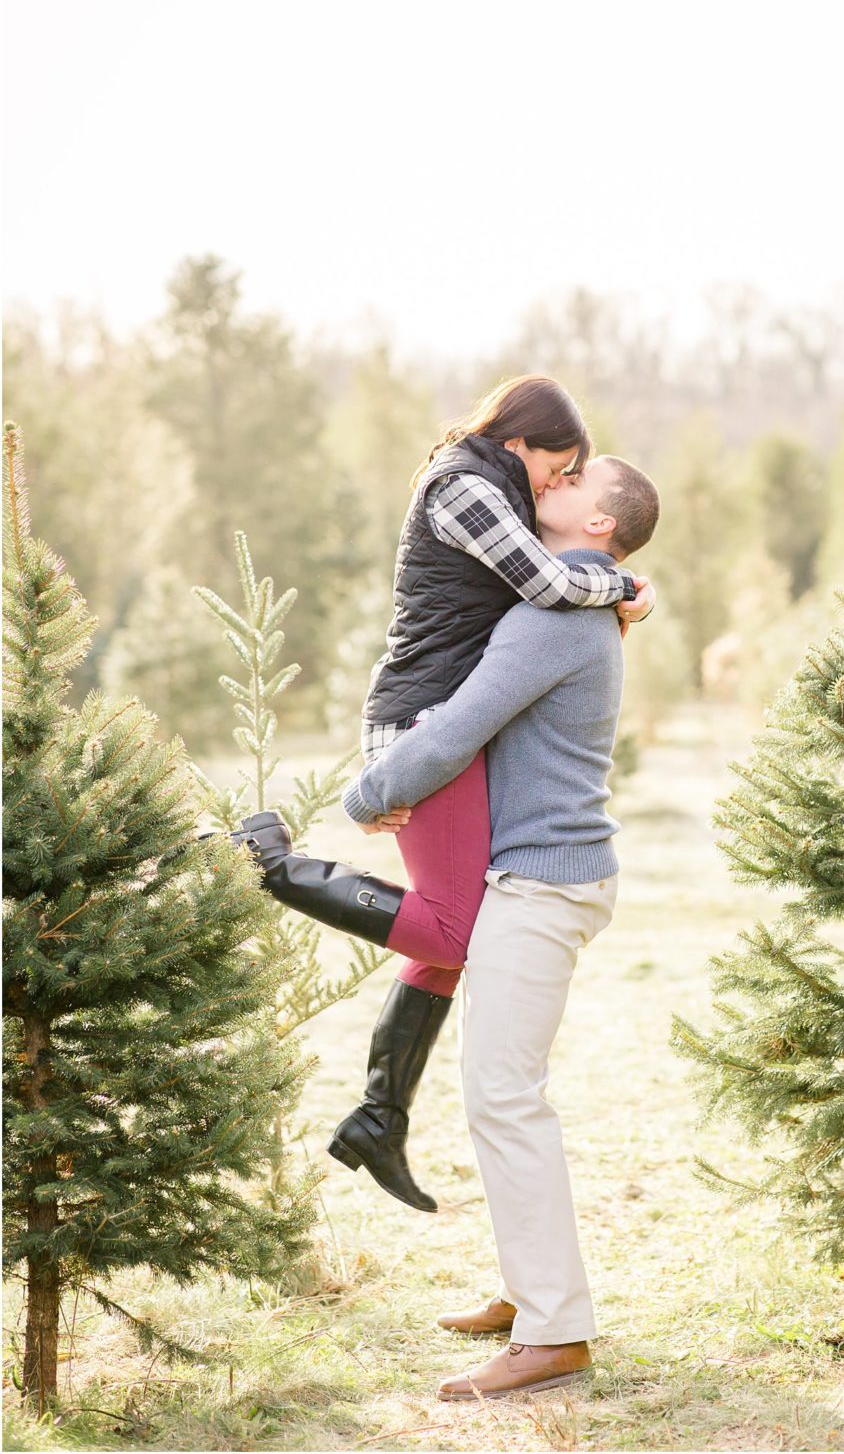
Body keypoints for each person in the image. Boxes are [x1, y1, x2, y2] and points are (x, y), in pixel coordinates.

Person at [245, 453, 660, 1398]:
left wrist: (366, 794)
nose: (549, 485)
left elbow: (455, 727)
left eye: (571, 483)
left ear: (598, 526)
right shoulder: (581, 605)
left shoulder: (553, 617)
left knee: (506, 1099)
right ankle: (531, 1290)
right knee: (502, 1095)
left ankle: (554, 1333)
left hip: (541, 884)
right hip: (550, 876)